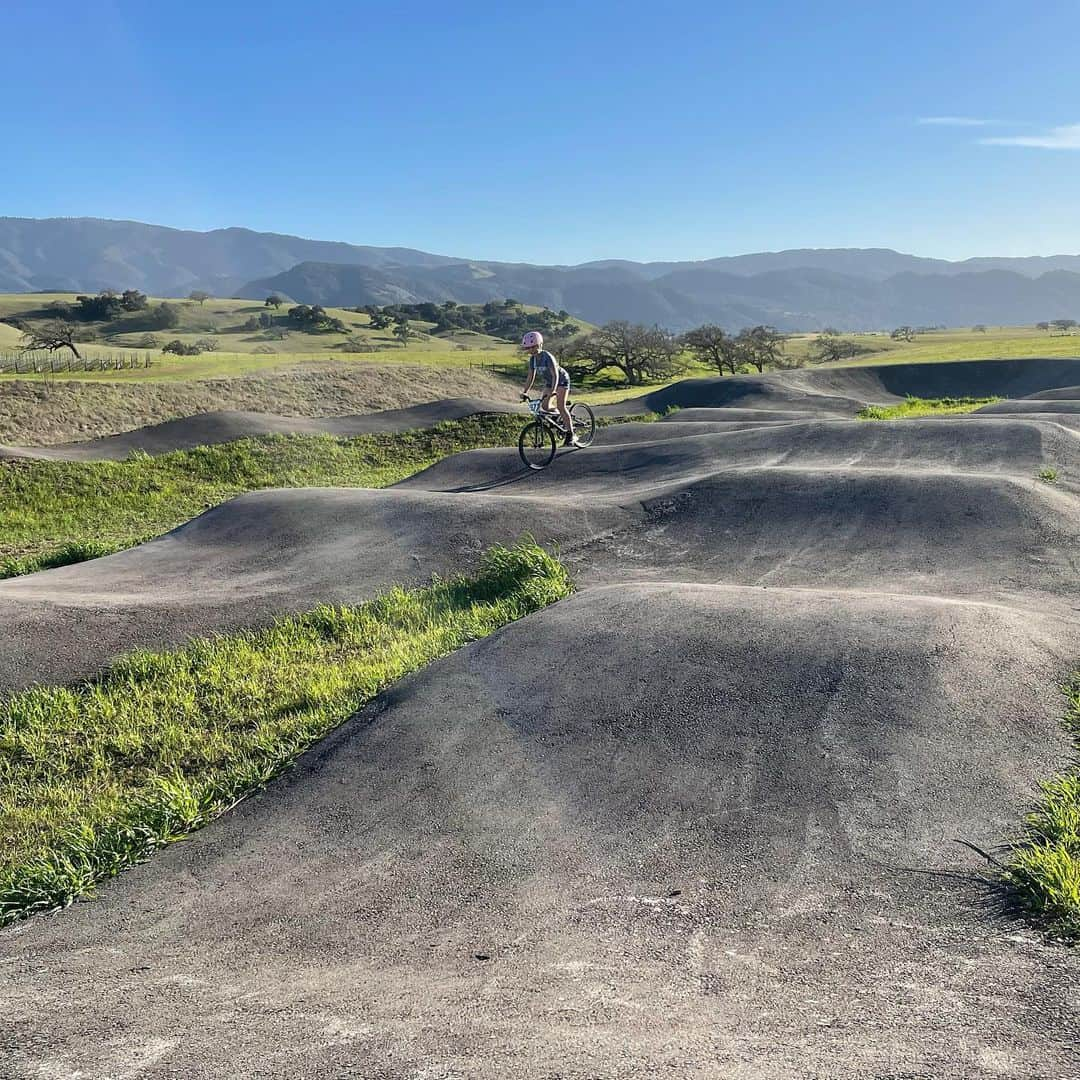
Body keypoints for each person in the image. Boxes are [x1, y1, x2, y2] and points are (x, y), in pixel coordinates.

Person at [519, 331, 578, 446]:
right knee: (545, 406)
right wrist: (525, 392)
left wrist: (553, 391)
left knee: (561, 406)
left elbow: (555, 375)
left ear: (540, 345)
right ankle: (558, 417)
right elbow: (531, 376)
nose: (531, 350)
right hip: (549, 382)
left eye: (533, 346)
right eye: (529, 348)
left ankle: (571, 434)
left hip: (561, 380)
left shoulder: (547, 357)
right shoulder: (533, 360)